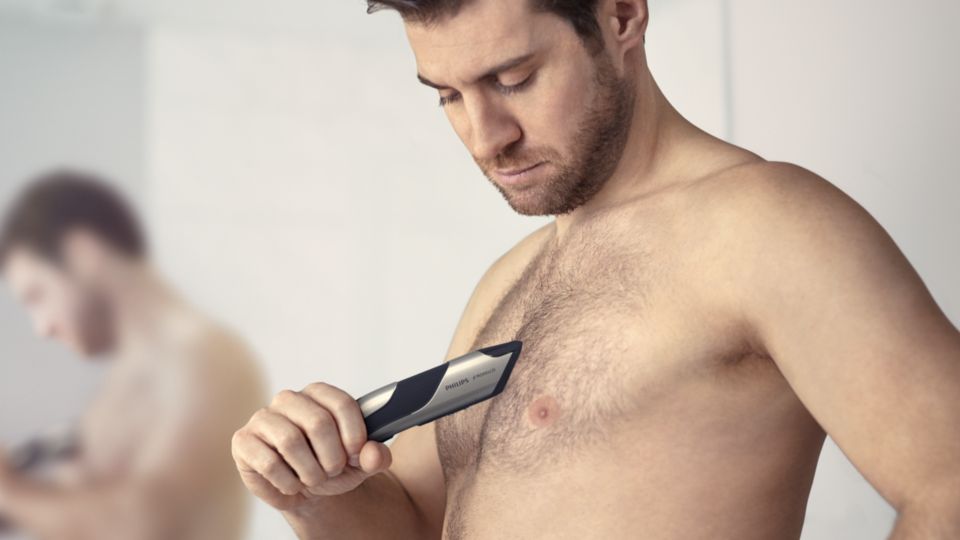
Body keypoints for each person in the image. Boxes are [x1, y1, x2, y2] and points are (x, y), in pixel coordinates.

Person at [231, 1, 960, 538]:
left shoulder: (766, 227)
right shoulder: (508, 280)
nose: (484, 138)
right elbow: (423, 525)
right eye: (449, 95)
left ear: (621, 17)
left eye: (513, 78)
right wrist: (311, 491)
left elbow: (950, 483)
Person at [0, 169, 266, 540]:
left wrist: (10, 492)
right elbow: (82, 507)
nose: (41, 328)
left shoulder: (210, 359)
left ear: (83, 253)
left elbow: (150, 524)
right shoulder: (124, 379)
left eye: (36, 295)